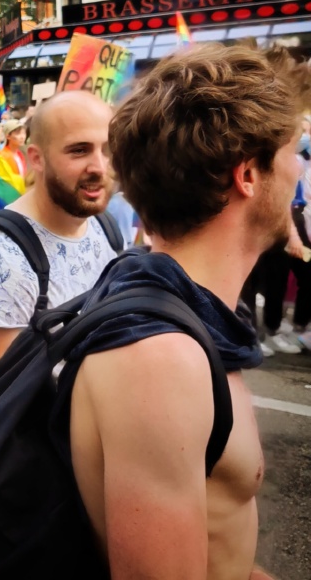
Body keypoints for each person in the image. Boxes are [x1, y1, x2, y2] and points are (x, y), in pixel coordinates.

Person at [67, 43, 311, 579]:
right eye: (294, 151)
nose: (298, 169)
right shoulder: (159, 361)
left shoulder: (185, 318)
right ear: (248, 176)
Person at [0, 92, 115, 402]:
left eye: (108, 150)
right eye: (79, 150)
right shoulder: (0, 261)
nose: (99, 166)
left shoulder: (103, 225)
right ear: (37, 158)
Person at [0, 119, 28, 196]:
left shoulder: (20, 154)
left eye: (23, 133)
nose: (22, 137)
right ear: (8, 136)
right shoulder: (2, 157)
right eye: (18, 133)